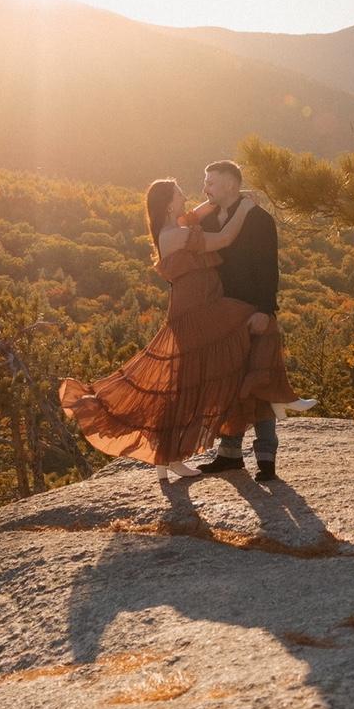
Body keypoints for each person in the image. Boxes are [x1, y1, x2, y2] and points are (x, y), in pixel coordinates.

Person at [58, 179, 300, 481]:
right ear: (169, 204)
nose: (186, 196)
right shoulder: (175, 234)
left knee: (192, 380)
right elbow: (224, 238)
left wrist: (230, 196)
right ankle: (171, 455)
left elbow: (199, 211)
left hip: (203, 307)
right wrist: (246, 207)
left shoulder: (178, 226)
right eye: (179, 193)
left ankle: (177, 456)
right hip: (195, 311)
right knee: (248, 332)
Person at [194, 160, 316, 482]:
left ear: (230, 185)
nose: (205, 188)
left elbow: (268, 267)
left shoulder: (259, 219)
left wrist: (264, 309)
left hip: (253, 311)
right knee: (228, 383)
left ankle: (266, 458)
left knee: (260, 382)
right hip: (222, 314)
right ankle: (229, 455)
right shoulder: (207, 219)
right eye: (205, 181)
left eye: (211, 182)